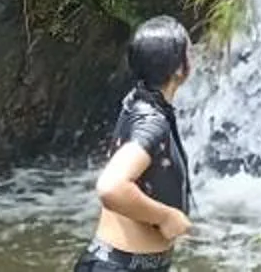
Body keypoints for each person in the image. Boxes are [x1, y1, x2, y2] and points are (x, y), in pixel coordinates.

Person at [81, 17, 195, 272]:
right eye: (189, 50)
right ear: (178, 68)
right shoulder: (152, 122)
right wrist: (166, 217)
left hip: (115, 261)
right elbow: (111, 187)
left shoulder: (138, 100)